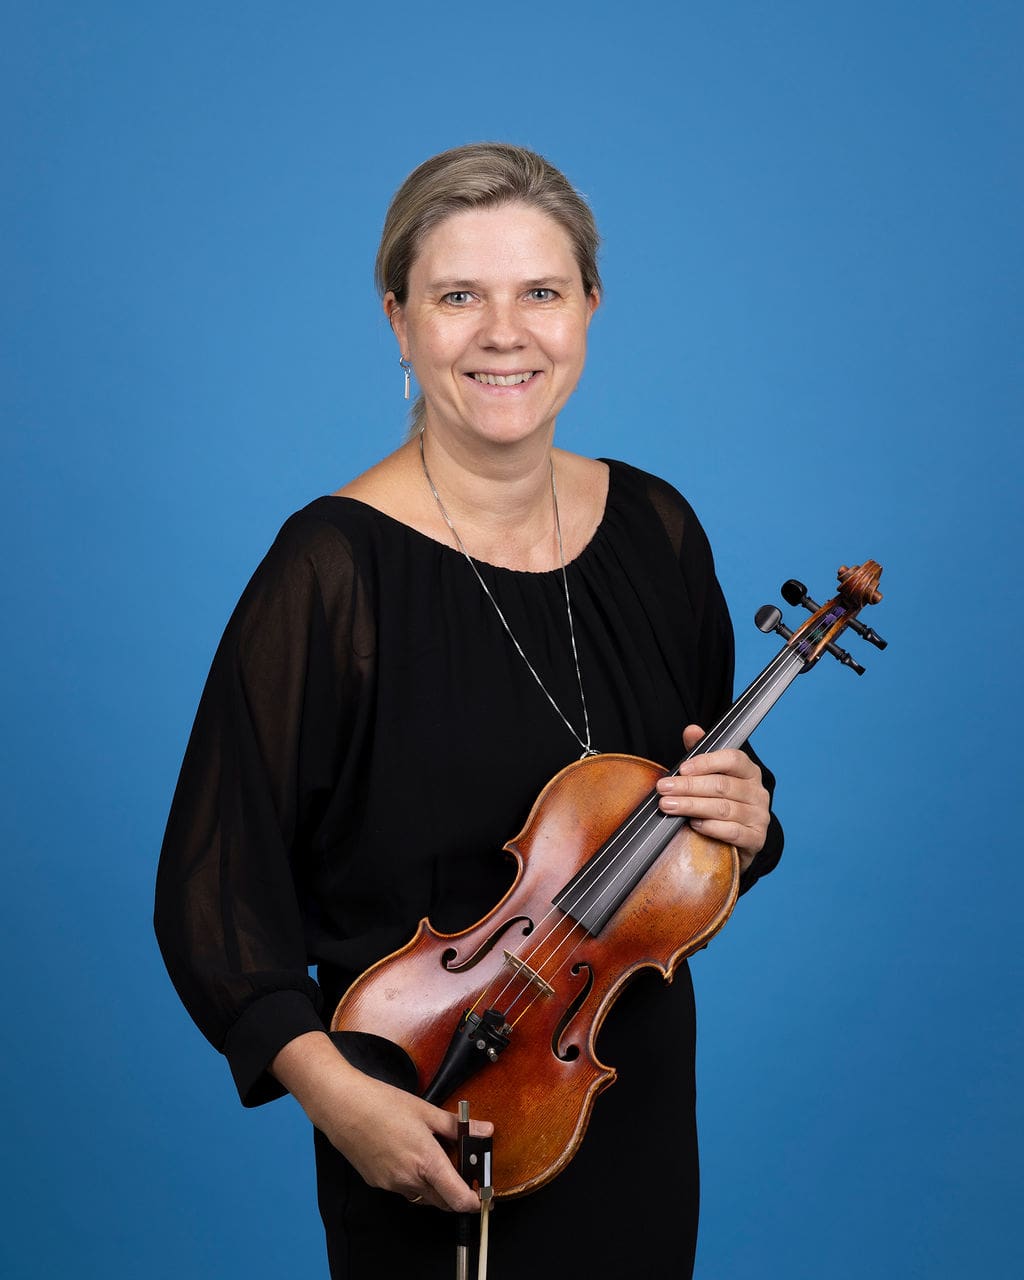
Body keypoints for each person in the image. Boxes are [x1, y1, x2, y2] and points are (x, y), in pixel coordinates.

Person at [154, 141, 783, 1279]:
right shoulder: (330, 570)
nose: (505, 333)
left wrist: (748, 816)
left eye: (540, 292)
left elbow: (688, 819)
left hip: (623, 1102)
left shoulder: (658, 530)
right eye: (458, 297)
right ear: (398, 322)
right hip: (418, 1110)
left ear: (589, 309)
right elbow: (215, 893)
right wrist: (336, 1097)